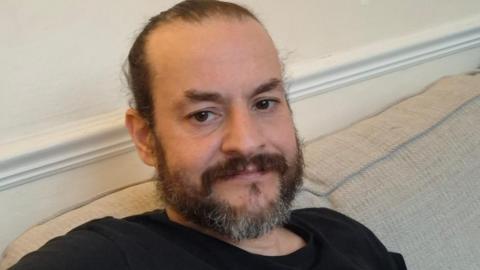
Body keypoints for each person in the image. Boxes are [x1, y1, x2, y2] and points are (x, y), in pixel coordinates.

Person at [11, 1, 407, 269]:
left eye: (264, 103)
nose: (248, 142)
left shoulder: (346, 235)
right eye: (203, 114)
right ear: (146, 138)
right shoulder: (115, 255)